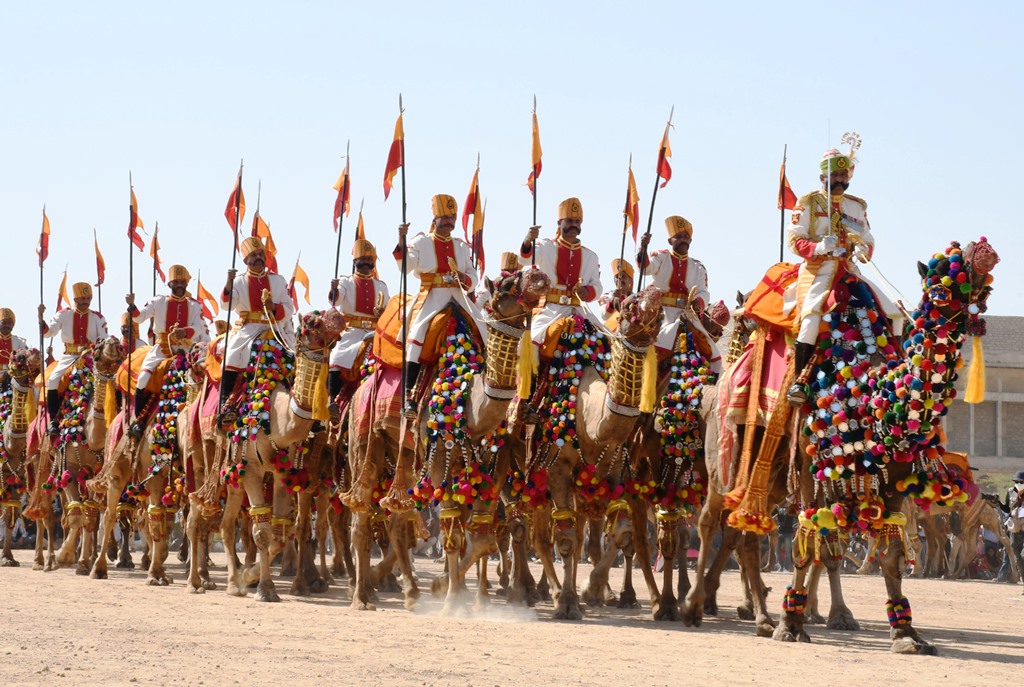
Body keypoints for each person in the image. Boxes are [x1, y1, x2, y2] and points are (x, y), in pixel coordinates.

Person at [784, 147, 904, 404]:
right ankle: (799, 383)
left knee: (894, 314)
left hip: (850, 270)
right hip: (819, 271)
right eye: (834, 175)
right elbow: (794, 240)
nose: (839, 180)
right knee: (811, 320)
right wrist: (817, 248)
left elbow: (868, 238)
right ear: (823, 177)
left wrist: (864, 248)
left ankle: (900, 370)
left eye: (843, 174)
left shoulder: (857, 206)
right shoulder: (808, 202)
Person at [396, 194, 481, 418]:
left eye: (452, 218)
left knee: (485, 333)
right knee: (418, 335)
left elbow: (473, 275)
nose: (449, 222)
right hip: (431, 298)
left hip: (458, 298)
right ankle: (409, 397)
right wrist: (401, 241)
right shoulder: (422, 241)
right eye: (445, 218)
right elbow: (406, 267)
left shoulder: (461, 246)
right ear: (435, 218)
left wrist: (464, 278)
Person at [125, 264, 210, 438]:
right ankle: (139, 421)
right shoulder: (158, 301)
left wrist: (185, 331)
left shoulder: (194, 305)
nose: (179, 285)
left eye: (182, 282)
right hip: (161, 348)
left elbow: (199, 327)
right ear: (170, 284)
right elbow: (140, 317)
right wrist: (132, 306)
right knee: (143, 378)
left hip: (186, 350)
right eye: (176, 282)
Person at [218, 237, 294, 423]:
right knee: (231, 357)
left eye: (261, 254)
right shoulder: (238, 282)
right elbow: (226, 305)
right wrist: (228, 283)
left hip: (274, 327)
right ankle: (223, 406)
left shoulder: (277, 280)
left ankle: (301, 408)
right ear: (246, 261)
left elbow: (289, 307)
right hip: (248, 328)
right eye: (254, 255)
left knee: (294, 357)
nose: (259, 257)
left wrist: (274, 307)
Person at [519, 197, 603, 355]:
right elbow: (525, 259)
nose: (574, 225)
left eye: (578, 222)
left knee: (608, 342)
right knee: (528, 344)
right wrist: (528, 240)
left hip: (579, 310)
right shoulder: (546, 246)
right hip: (550, 310)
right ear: (559, 223)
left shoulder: (590, 256)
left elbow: (598, 287)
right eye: (570, 220)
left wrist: (588, 291)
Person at [638, 216, 722, 372]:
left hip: (687, 313)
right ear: (670, 241)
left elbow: (704, 291)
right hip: (660, 313)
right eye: (679, 237)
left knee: (707, 348)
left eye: (686, 237)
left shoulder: (698, 267)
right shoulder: (661, 256)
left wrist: (699, 302)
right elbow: (646, 269)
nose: (683, 240)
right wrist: (642, 249)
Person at [38, 282, 109, 436]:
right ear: (75, 299)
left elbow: (104, 339)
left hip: (90, 357)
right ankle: (53, 422)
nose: (86, 302)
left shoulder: (97, 317)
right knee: (53, 380)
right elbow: (48, 333)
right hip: (69, 356)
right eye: (82, 298)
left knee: (109, 380)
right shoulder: (64, 314)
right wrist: (41, 320)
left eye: (88, 298)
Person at [327, 239, 388, 405]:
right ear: (355, 261)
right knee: (337, 358)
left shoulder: (381, 286)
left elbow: (388, 310)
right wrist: (333, 290)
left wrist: (382, 313)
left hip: (374, 333)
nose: (367, 263)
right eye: (363, 260)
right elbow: (336, 300)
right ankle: (332, 401)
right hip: (351, 332)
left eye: (370, 260)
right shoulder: (346, 281)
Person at [598, 259, 634, 329]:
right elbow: (604, 315)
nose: (620, 280)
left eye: (623, 276)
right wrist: (612, 301)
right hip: (612, 336)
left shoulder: (637, 298)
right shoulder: (606, 296)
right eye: (617, 277)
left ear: (630, 280)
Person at [0, 308, 28, 382]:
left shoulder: (19, 342)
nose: (6, 325)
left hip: (14, 378)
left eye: (9, 323)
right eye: (4, 322)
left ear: (13, 325)